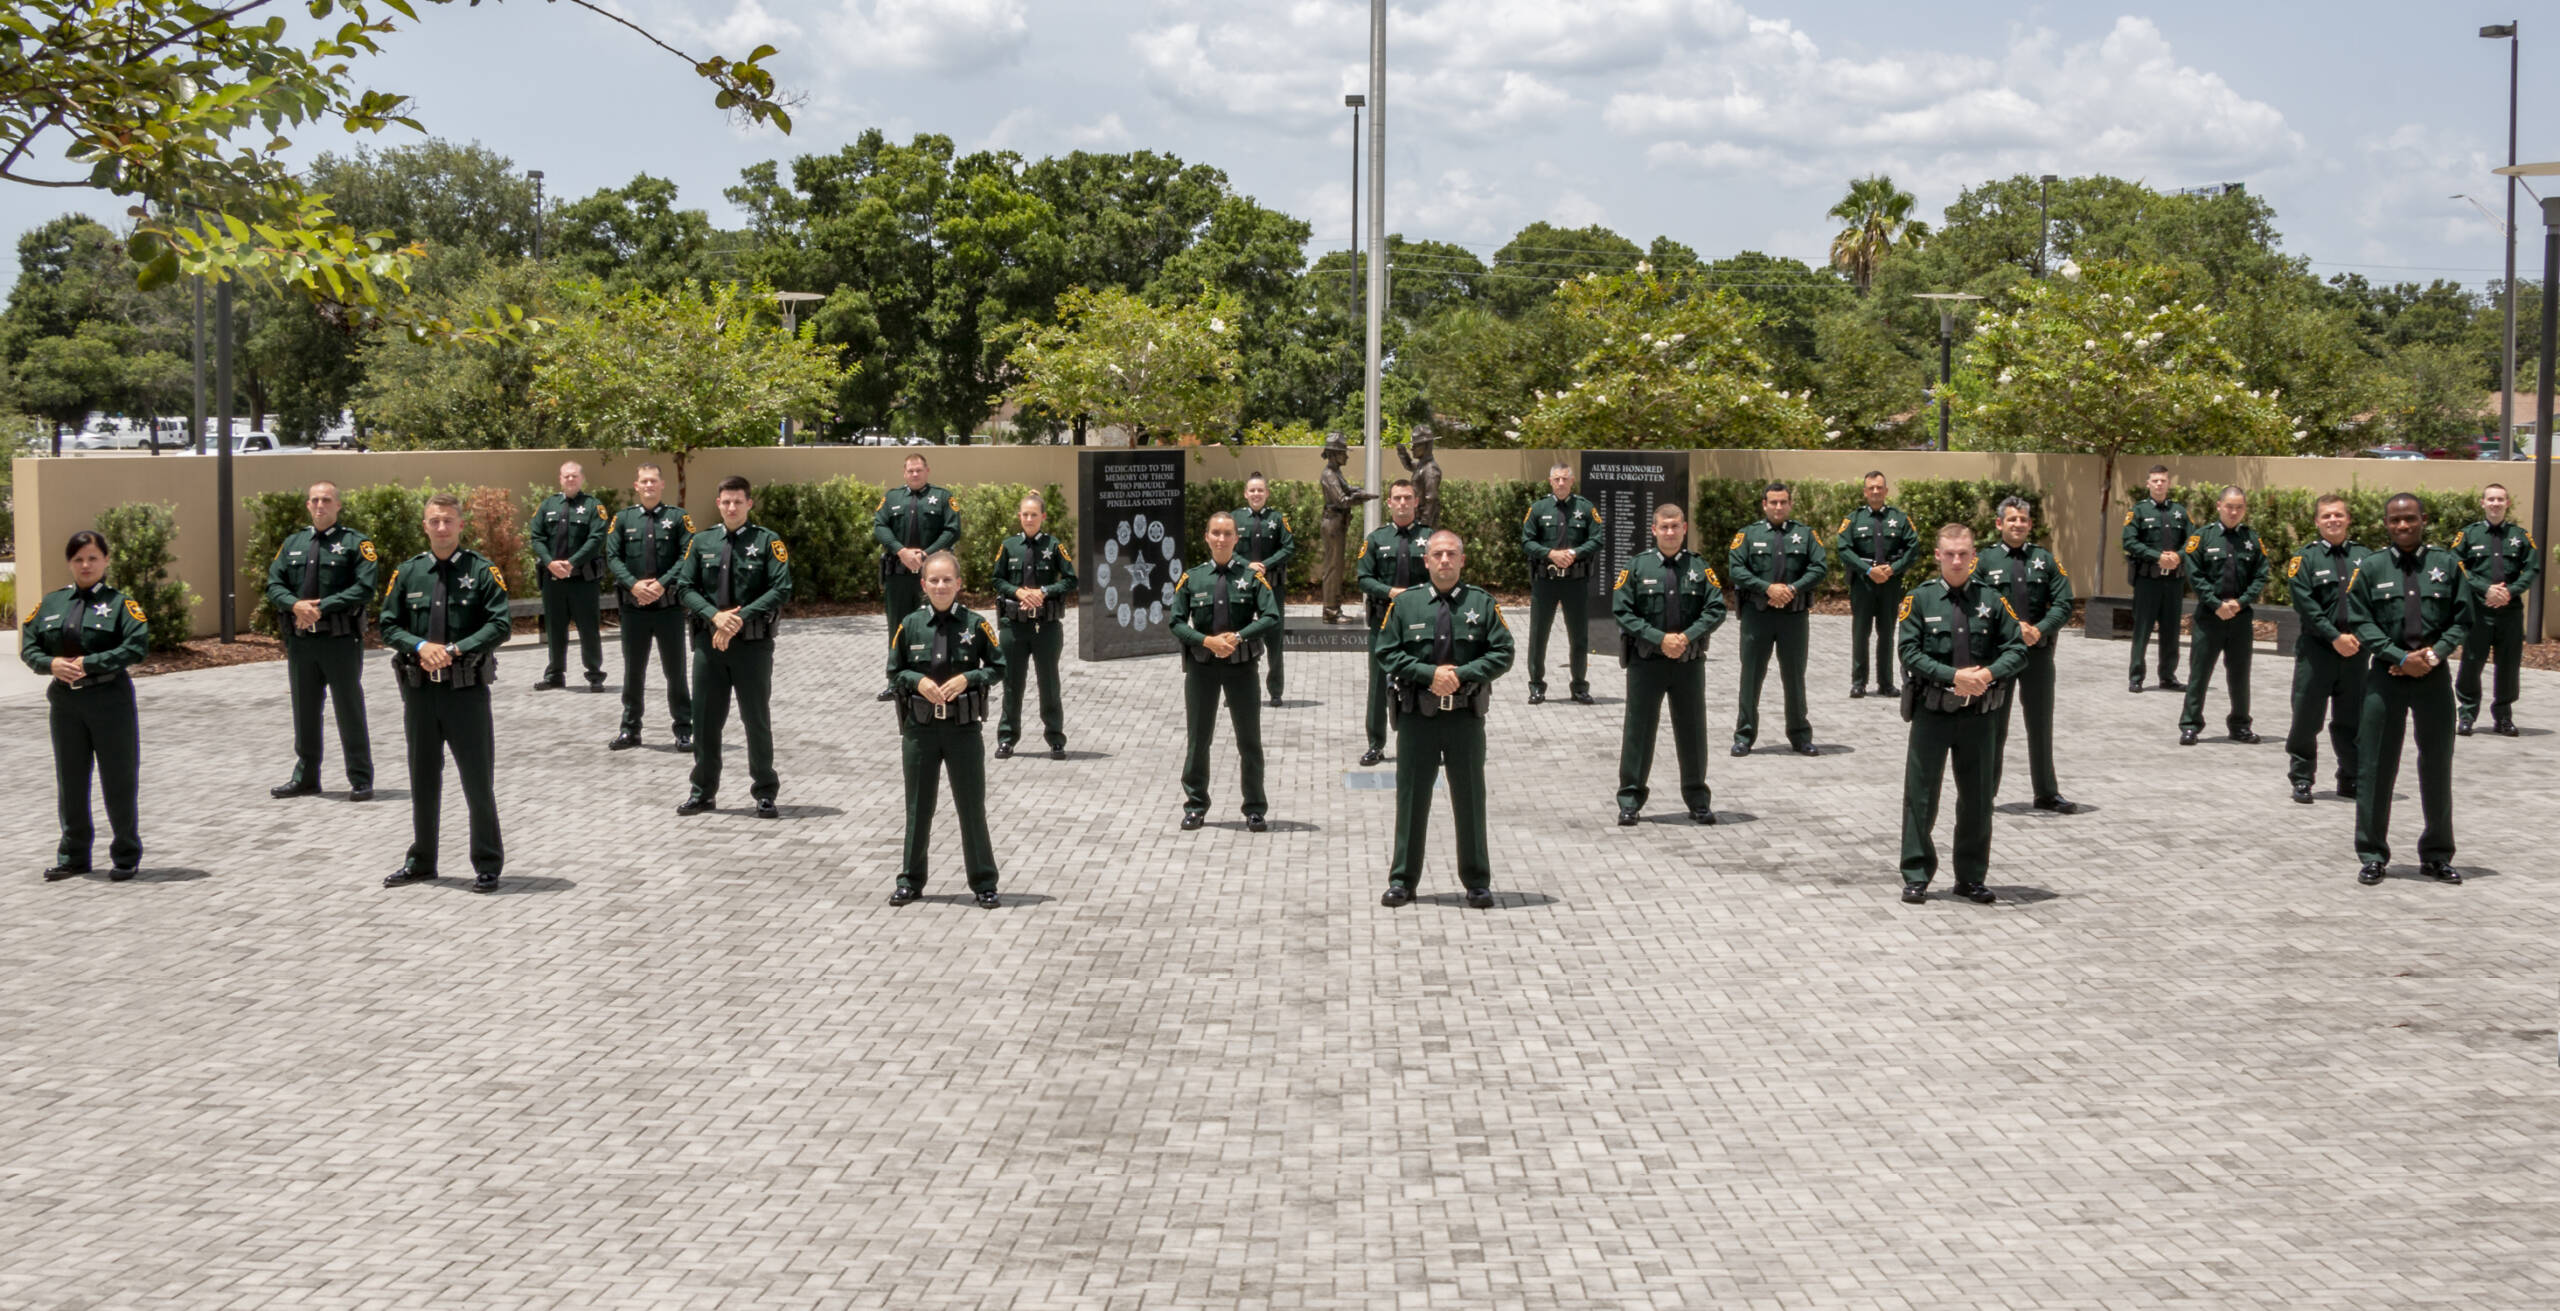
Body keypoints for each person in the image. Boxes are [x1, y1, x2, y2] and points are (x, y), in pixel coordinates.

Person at [1376, 529, 1514, 909]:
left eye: (1451, 554)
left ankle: (1476, 881)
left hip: (1465, 719)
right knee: (1411, 799)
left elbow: (1503, 652)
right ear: (1426, 560)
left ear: (1462, 560)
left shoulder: (1482, 604)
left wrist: (1461, 675)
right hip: (1418, 718)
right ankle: (1403, 880)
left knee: (1470, 798)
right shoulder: (1406, 606)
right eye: (1437, 554)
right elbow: (1386, 652)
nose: (1444, 561)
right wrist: (1428, 674)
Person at [379, 495, 511, 892]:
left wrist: (454, 649)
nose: (441, 528)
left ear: (460, 525)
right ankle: (421, 861)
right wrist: (420, 647)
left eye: (448, 521)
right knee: (422, 780)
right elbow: (388, 625)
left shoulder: (482, 570)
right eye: (434, 521)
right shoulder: (408, 573)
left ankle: (487, 863)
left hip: (465, 695)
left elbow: (499, 625)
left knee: (476, 780)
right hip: (420, 695)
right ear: (424, 526)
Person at [2342, 493, 2474, 886]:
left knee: (2437, 764)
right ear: (2386, 523)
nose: (2403, 526)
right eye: (2395, 520)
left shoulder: (2448, 565)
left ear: (2423, 519)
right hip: (2386, 678)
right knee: (2375, 766)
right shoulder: (2371, 567)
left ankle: (2436, 854)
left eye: (2410, 519)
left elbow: (2463, 617)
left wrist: (2434, 656)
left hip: (2433, 678)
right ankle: (2372, 853)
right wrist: (2398, 656)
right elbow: (2360, 619)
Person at [1894, 524, 2029, 905]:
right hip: (1932, 714)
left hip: (1979, 717)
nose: (1957, 560)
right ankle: (1916, 874)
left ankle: (1970, 877)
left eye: (1964, 554)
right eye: (1950, 553)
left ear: (1974, 556)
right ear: (1938, 555)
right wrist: (1953, 676)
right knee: (1920, 796)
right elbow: (1908, 652)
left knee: (1978, 798)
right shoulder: (1919, 600)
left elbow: (2016, 649)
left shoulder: (1992, 599)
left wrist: (1986, 675)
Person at [22, 530, 150, 880]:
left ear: (106, 561)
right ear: (70, 563)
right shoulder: (51, 604)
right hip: (66, 704)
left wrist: (88, 663)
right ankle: (74, 855)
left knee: (118, 779)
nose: (86, 565)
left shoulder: (123, 604)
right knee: (71, 780)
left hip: (110, 700)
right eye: (78, 559)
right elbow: (29, 646)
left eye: (93, 558)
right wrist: (50, 664)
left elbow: (135, 646)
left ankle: (125, 853)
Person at [886, 551, 1006, 908]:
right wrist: (917, 681)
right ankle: (911, 880)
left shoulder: (976, 624)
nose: (940, 586)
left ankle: (984, 881)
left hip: (962, 730)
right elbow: (894, 672)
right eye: (934, 581)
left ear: (959, 584)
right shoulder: (910, 625)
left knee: (971, 807)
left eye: (947, 580)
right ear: (923, 585)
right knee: (918, 807)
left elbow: (998, 667)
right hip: (920, 730)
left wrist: (969, 678)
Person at [672, 476, 794, 819]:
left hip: (752, 647)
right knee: (705, 722)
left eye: (738, 501)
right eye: (726, 501)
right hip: (709, 646)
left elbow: (780, 588)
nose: (731, 507)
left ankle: (765, 792)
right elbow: (684, 587)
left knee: (756, 720)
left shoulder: (768, 542)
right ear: (718, 503)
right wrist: (714, 616)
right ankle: (703, 792)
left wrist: (736, 620)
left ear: (749, 504)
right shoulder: (701, 541)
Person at [1611, 502, 1727, 826]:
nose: (1670, 532)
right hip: (1646, 663)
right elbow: (1622, 610)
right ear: (1654, 530)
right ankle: (1630, 801)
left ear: (1685, 528)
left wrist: (1686, 637)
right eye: (1664, 527)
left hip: (1687, 664)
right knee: (1638, 731)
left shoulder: (1699, 567)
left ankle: (1698, 800)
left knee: (1692, 732)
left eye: (1676, 526)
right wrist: (1660, 638)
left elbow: (1716, 608)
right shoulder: (1637, 567)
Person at [263, 481, 378, 800]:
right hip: (302, 643)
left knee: (349, 709)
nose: (320, 505)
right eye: (314, 500)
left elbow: (365, 588)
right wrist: (295, 605)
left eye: (326, 500)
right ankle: (306, 778)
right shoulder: (292, 543)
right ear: (307, 505)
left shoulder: (356, 543)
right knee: (304, 710)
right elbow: (274, 584)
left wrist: (320, 607)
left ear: (338, 505)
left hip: (340, 641)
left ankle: (360, 777)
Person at [1170, 513, 1282, 831]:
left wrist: (1239, 636)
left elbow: (1271, 616)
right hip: (1203, 667)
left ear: (1236, 539)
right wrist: (1207, 640)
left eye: (1227, 533)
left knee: (1249, 741)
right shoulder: (1192, 579)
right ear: (1206, 537)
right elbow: (1176, 622)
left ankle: (1255, 808)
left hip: (1241, 667)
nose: (1221, 539)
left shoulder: (1251, 576)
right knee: (1198, 740)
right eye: (1216, 533)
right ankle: (1195, 805)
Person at [1975, 497, 2080, 813]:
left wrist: (2041, 629)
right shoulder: (1984, 561)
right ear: (1999, 524)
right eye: (2011, 519)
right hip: (2000, 657)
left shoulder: (2044, 559)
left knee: (2040, 724)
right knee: (1994, 726)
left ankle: (2046, 793)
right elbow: (1975, 605)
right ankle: (1984, 794)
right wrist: (2010, 630)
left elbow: (2064, 602)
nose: (2017, 524)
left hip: (2038, 655)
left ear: (2030, 524)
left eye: (2023, 519)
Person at [1727, 481, 1827, 756]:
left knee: (1794, 676)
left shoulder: (1805, 535)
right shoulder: (1748, 535)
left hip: (1793, 618)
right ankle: (1744, 736)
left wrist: (1792, 589)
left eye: (1783, 502)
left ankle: (1800, 735)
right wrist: (1767, 588)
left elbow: (1820, 566)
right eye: (1773, 502)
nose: (1778, 507)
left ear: (1790, 504)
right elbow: (1736, 569)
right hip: (1757, 616)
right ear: (1764, 504)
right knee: (1751, 676)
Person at [603, 463, 695, 752]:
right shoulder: (622, 519)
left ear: (662, 485)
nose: (649, 486)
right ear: (637, 485)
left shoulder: (678, 518)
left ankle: (684, 730)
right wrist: (634, 585)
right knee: (633, 671)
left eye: (654, 481)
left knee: (675, 672)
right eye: (644, 481)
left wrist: (661, 584)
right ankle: (630, 730)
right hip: (634, 610)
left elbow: (688, 554)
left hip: (668, 609)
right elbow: (612, 556)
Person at [2283, 495, 2367, 803]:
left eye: (2339, 515)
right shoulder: (2303, 559)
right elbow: (2306, 606)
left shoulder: (2366, 558)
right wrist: (2334, 637)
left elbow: (2374, 604)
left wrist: (2358, 639)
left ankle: (2351, 778)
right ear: (2317, 522)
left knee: (2352, 719)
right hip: (2317, 651)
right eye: (2327, 516)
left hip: (2356, 652)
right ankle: (2302, 777)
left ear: (2348, 519)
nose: (2333, 520)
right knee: (2307, 718)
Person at [2177, 486, 2268, 746]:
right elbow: (2194, 574)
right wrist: (2215, 603)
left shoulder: (2252, 539)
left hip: (2240, 618)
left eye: (2239, 507)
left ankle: (2240, 725)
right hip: (2209, 617)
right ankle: (2190, 725)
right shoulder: (2202, 537)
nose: (2234, 511)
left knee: (2240, 674)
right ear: (2219, 506)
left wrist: (2241, 603)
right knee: (2200, 672)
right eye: (2229, 506)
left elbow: (2260, 575)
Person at [1354, 479, 1433, 767]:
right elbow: (1364, 578)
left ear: (1416, 502)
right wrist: (1391, 592)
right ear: (1388, 503)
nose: (1402, 503)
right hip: (1384, 621)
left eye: (1407, 498)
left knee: (1422, 680)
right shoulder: (1376, 539)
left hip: (1420, 623)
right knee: (1378, 683)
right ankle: (1376, 744)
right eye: (1397, 498)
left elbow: (1440, 575)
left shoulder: (1430, 537)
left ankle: (1423, 743)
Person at [992, 492, 1075, 759]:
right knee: (1012, 684)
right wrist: (1017, 592)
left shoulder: (1054, 546)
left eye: (1034, 515)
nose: (1029, 519)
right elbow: (997, 580)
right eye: (1025, 514)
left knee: (1049, 684)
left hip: (1045, 628)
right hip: (1014, 627)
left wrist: (1044, 591)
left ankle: (1055, 739)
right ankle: (1007, 738)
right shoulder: (1008, 546)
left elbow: (1070, 580)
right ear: (1020, 517)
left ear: (1043, 517)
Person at [871, 454, 960, 701]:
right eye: (910, 471)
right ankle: (896, 682)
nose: (914, 474)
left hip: (932, 576)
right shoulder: (891, 497)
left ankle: (933, 680)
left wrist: (926, 555)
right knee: (898, 629)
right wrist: (901, 550)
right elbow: (880, 526)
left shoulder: (943, 497)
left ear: (927, 471)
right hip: (898, 577)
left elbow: (953, 529)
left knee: (932, 627)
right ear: (904, 472)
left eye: (919, 470)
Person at [2453, 483, 2539, 736]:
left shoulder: (2521, 536)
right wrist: (2485, 589)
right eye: (2490, 499)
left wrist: (2509, 592)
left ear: (2507, 503)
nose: (2495, 503)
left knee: (2509, 665)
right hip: (2479, 611)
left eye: (2500, 499)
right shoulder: (2468, 535)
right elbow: (2456, 565)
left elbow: (2532, 569)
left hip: (2510, 612)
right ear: (2482, 503)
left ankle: (2503, 717)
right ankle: (2467, 715)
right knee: (2471, 662)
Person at [1520, 462, 1602, 706]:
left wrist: (1575, 553)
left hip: (1575, 583)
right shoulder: (1538, 508)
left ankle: (1579, 687)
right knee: (1538, 636)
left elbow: (1597, 540)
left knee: (1579, 637)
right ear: (1550, 481)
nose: (1561, 483)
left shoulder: (1585, 508)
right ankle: (1536, 686)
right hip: (1545, 581)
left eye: (1565, 479)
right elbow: (1527, 541)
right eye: (1556, 479)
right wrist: (1550, 554)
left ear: (1572, 481)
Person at [530, 460, 609, 692]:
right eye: (566, 476)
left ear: (582, 479)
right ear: (560, 479)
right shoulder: (547, 505)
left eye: (575, 476)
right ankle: (555, 674)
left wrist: (571, 563)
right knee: (554, 628)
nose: (570, 479)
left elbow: (596, 539)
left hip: (583, 580)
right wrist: (549, 562)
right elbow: (537, 537)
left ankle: (594, 674)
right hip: (553, 580)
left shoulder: (594, 506)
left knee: (589, 628)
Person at [1835, 471, 1915, 699]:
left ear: (1886, 491)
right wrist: (1868, 570)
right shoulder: (1853, 519)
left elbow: (1913, 548)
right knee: (1861, 633)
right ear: (1865, 492)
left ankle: (1886, 683)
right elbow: (1844, 549)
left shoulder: (1899, 518)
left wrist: (1893, 569)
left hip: (1890, 582)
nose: (1876, 491)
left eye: (1880, 487)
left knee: (1887, 633)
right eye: (1871, 488)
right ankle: (1858, 682)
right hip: (1863, 582)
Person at [2121, 465, 2190, 693]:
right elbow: (2129, 542)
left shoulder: (2179, 511)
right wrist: (2157, 556)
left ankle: (2168, 677)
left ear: (2168, 483)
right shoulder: (2138, 511)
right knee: (2142, 629)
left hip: (2174, 581)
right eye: (2155, 480)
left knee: (2171, 631)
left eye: (2163, 480)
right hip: (2147, 581)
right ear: (2148, 484)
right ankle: (2136, 677)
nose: (2159, 484)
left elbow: (2193, 541)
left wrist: (2177, 557)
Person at [1232, 473, 1295, 706]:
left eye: (1261, 490)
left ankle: (1275, 690)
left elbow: (1288, 548)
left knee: (1274, 640)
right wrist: (1247, 565)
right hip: (1243, 588)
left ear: (1267, 494)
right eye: (1252, 490)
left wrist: (1265, 565)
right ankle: (1237, 690)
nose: (1256, 494)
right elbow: (1227, 548)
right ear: (1245, 494)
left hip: (1272, 588)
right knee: (1239, 637)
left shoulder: (1278, 519)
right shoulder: (1234, 518)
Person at [1317, 434, 1377, 624]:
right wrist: (1362, 498)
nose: (1347, 456)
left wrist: (1357, 491)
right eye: (1344, 453)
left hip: (1337, 522)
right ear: (1334, 454)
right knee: (1333, 568)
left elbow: (1346, 490)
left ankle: (1334, 608)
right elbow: (1342, 500)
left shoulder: (1335, 472)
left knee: (1336, 566)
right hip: (1333, 522)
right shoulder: (1329, 474)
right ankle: (1331, 611)